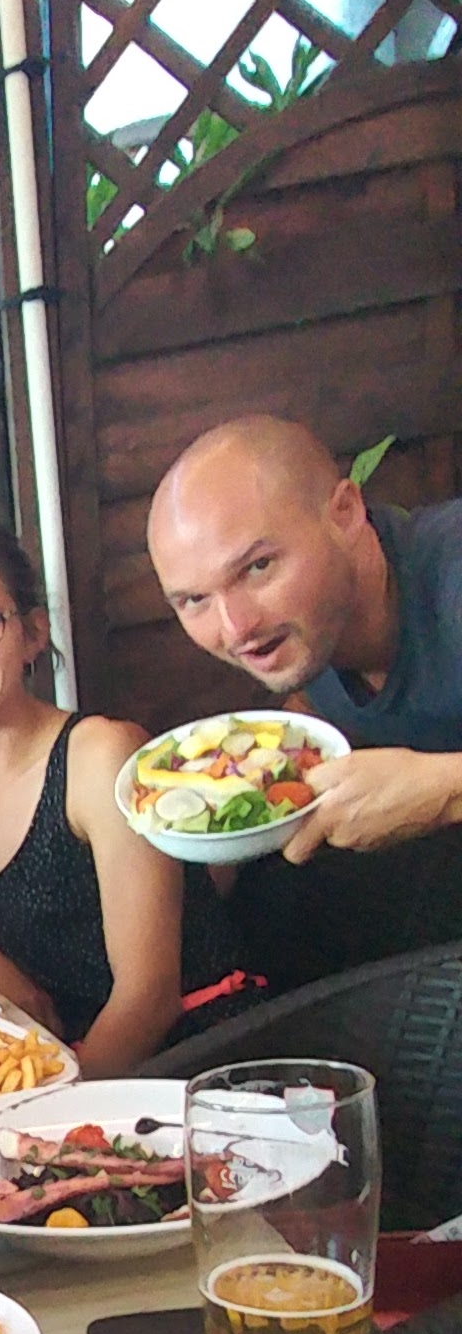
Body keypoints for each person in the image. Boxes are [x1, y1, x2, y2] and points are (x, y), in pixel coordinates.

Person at [0, 512, 239, 1074]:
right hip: (51, 1065)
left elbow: (149, 1002)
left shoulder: (101, 756)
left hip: (187, 1062)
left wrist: (50, 1110)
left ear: (32, 634)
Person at [147, 414, 462, 991]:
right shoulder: (306, 642)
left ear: (345, 512)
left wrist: (444, 788)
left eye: (258, 567)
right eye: (193, 600)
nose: (236, 628)